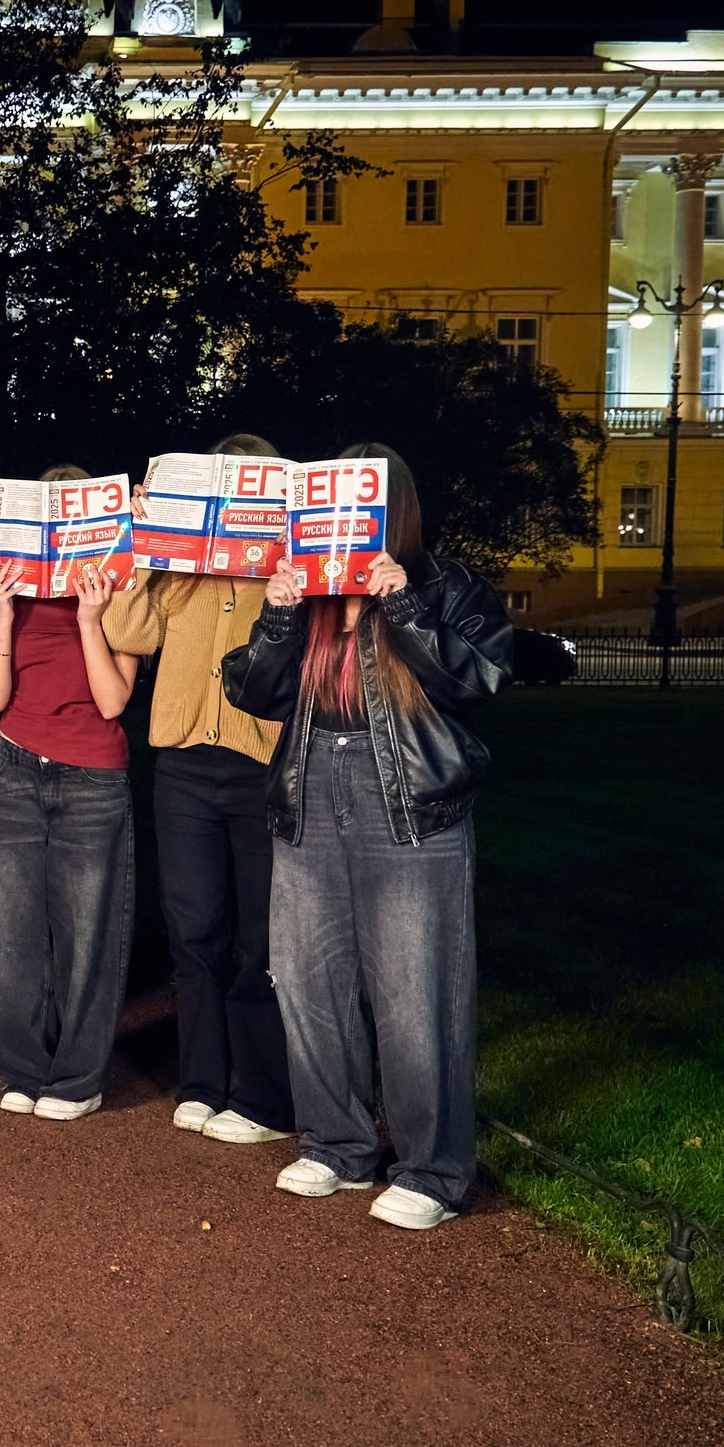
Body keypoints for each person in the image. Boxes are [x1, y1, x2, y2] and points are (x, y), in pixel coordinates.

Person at [222, 443, 511, 1231]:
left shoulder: (443, 585)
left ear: (394, 507)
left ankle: (433, 1170)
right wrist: (280, 612)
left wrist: (405, 602)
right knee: (309, 982)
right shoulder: (307, 593)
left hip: (408, 805)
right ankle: (337, 1145)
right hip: (311, 790)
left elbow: (478, 679)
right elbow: (252, 688)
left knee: (417, 992)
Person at [102, 434, 295, 1147]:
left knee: (264, 934)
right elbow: (126, 627)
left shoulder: (280, 568)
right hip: (184, 761)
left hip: (258, 764)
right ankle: (202, 1080)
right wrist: (141, 537)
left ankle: (265, 1091)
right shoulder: (177, 566)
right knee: (193, 929)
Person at [0, 466, 140, 1122]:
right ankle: (18, 1066)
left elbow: (112, 700)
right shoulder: (15, 588)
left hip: (93, 775)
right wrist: (2, 615)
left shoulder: (120, 591)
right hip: (15, 764)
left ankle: (76, 1078)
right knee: (12, 929)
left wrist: (92, 620)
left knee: (88, 933)